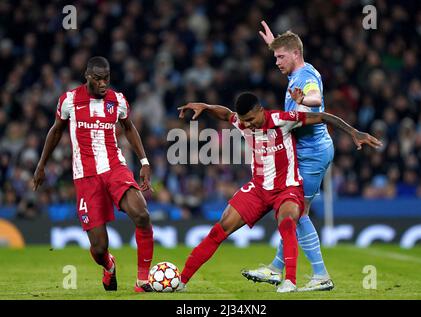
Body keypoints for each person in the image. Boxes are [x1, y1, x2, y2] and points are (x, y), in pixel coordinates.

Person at [176, 92, 381, 293]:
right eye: (243, 120)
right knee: (219, 230)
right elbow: (225, 114)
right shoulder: (242, 122)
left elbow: (322, 116)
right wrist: (206, 106)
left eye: (250, 119)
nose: (246, 125)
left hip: (287, 188)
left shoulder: (282, 119)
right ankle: (182, 281)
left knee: (288, 222)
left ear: (260, 111)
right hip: (258, 189)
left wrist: (353, 131)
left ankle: (290, 281)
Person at [33, 56, 155, 293]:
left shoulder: (118, 100)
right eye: (98, 79)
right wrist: (41, 165)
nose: (103, 84)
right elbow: (56, 131)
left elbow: (129, 128)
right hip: (86, 176)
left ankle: (142, 281)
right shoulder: (69, 100)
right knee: (99, 248)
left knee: (141, 214)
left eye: (106, 79)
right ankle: (109, 266)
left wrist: (144, 161)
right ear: (87, 76)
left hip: (115, 168)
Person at [241, 21, 338, 291]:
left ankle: (320, 275)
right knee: (291, 211)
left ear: (295, 54)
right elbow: (299, 82)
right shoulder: (298, 73)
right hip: (306, 152)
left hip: (312, 153)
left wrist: (304, 101)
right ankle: (275, 268)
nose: (276, 62)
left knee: (297, 212)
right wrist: (274, 44)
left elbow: (315, 99)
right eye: (275, 57)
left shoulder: (305, 79)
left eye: (280, 57)